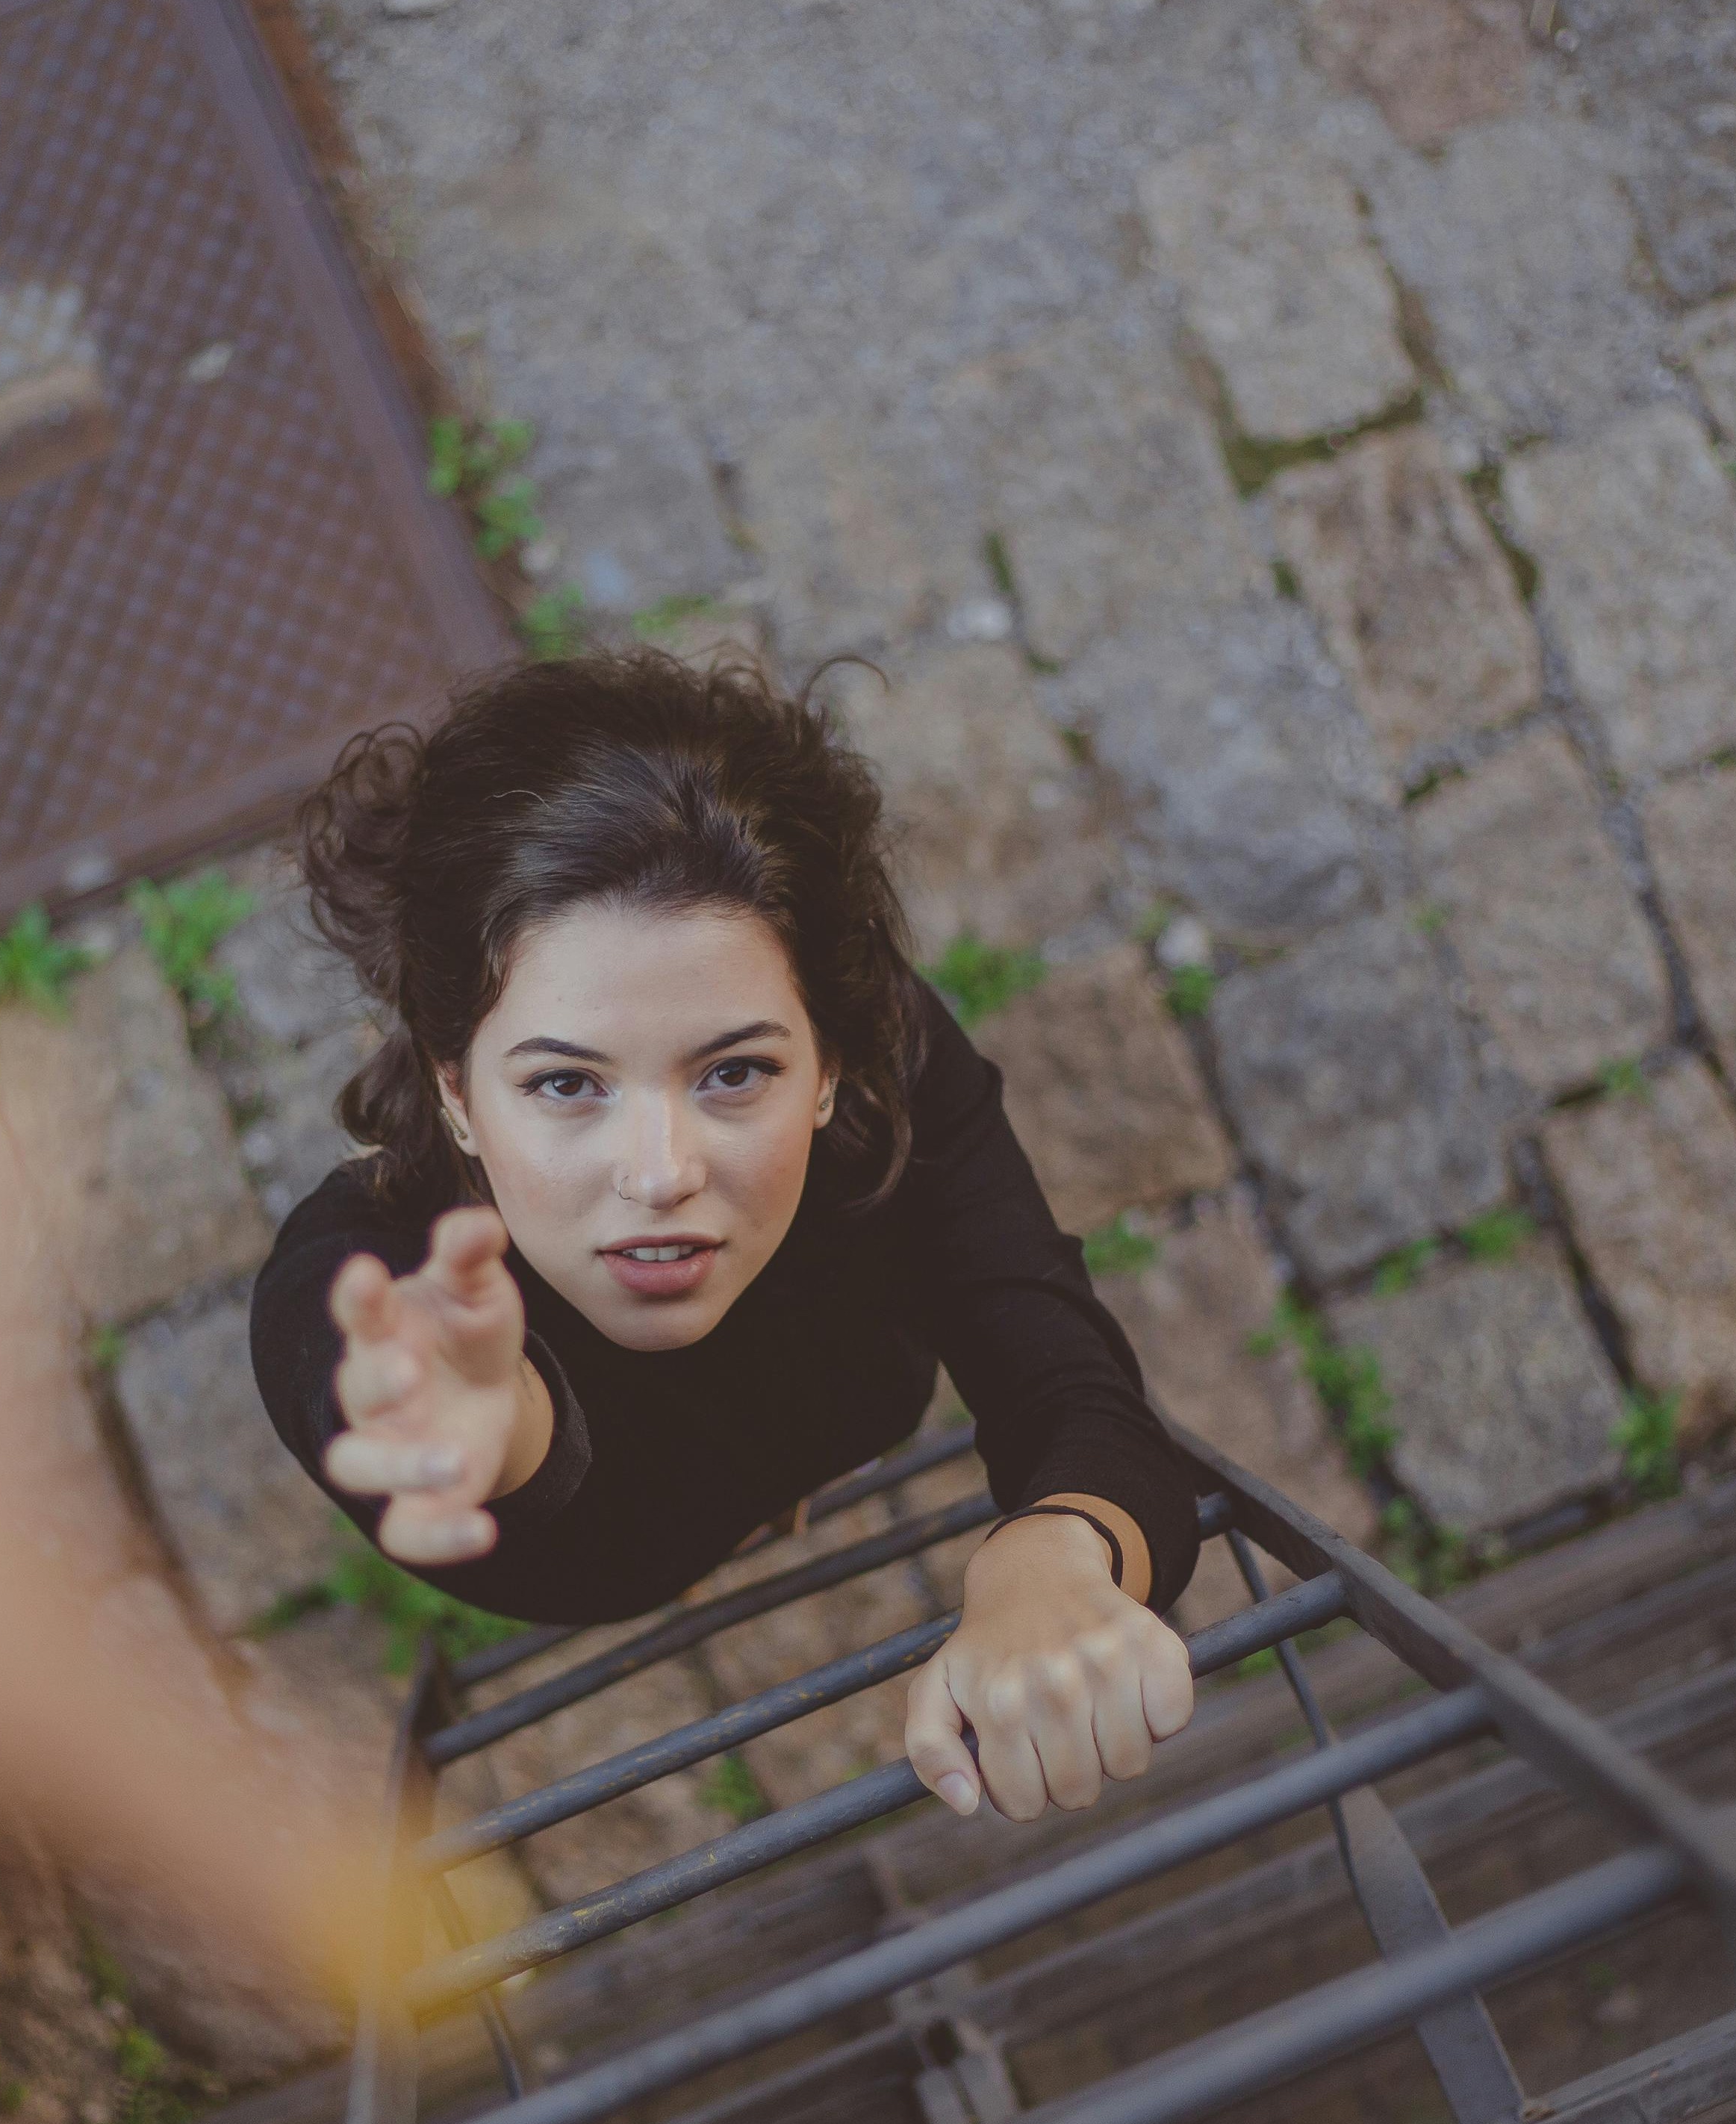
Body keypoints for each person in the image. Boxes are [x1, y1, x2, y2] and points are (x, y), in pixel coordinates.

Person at [254, 649, 1205, 1826]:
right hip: (625, 1542)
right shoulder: (377, 1261)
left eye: (736, 1071)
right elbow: (326, 1329)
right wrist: (464, 1416)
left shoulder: (885, 1072)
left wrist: (1055, 1554)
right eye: (565, 1086)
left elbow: (1069, 1378)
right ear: (455, 1088)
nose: (661, 1174)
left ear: (832, 1063)